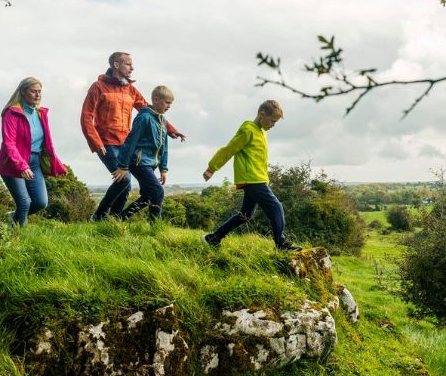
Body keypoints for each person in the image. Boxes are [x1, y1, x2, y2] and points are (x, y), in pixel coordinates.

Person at [81, 52, 185, 221]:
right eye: (128, 64)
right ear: (116, 65)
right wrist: (96, 142)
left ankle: (113, 220)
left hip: (127, 145)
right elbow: (86, 117)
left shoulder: (131, 90)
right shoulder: (98, 87)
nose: (132, 68)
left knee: (125, 184)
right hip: (106, 143)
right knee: (124, 180)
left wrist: (171, 130)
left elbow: (150, 110)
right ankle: (98, 217)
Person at [201, 100, 302, 251]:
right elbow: (229, 149)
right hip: (252, 179)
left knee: (245, 214)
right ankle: (281, 245)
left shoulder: (262, 132)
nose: (273, 125)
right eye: (272, 121)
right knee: (276, 207)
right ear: (262, 115)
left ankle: (213, 238)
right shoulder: (248, 130)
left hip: (258, 178)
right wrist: (212, 168)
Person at [0, 77, 66, 227]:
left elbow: (47, 144)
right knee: (24, 203)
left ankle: (13, 217)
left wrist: (58, 164)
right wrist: (22, 165)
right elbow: (9, 143)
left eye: (39, 91)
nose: (38, 95)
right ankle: (18, 235)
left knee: (41, 202)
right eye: (33, 91)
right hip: (13, 163)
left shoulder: (41, 114)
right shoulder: (12, 113)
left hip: (34, 162)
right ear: (22, 92)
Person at [111, 86, 173, 222]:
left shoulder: (162, 121)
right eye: (167, 102)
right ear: (156, 100)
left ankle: (119, 219)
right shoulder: (144, 118)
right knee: (158, 191)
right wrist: (123, 165)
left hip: (150, 164)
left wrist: (163, 168)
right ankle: (155, 226)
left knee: (148, 197)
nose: (169, 106)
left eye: (171, 103)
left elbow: (164, 146)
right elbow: (130, 142)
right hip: (138, 162)